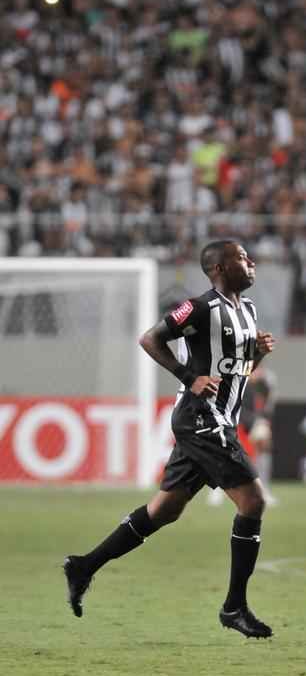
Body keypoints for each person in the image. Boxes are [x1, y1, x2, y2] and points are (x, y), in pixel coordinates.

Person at [63, 240, 275, 639]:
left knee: (165, 510)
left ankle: (83, 566)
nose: (250, 263)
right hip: (201, 418)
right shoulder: (198, 308)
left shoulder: (247, 310)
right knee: (254, 501)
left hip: (220, 418)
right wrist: (188, 377)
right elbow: (150, 339)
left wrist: (258, 354)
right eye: (242, 257)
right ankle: (234, 607)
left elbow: (239, 371)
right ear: (218, 267)